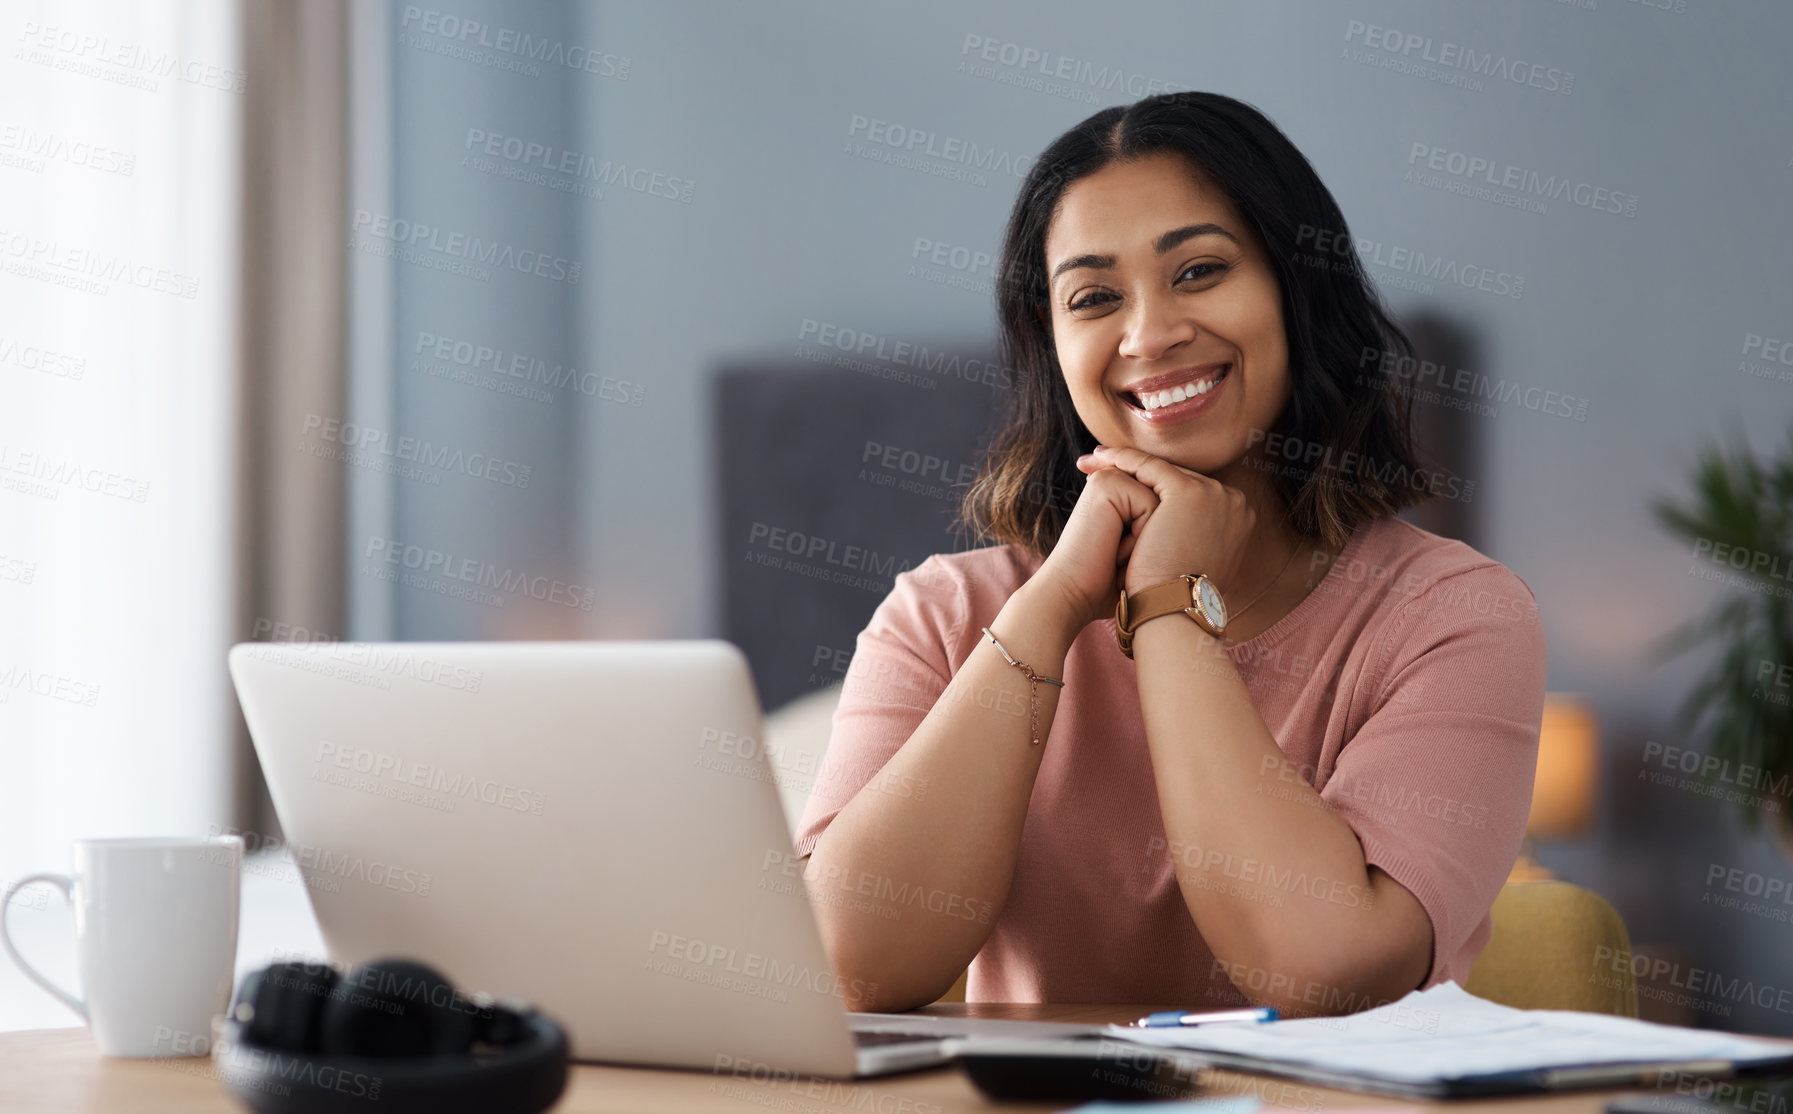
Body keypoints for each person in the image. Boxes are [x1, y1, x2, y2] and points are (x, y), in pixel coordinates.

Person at [792, 91, 1546, 1016]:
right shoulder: (944, 613)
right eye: (1094, 297)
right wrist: (1052, 602)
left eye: (1198, 271)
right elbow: (847, 967)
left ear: (1296, 288)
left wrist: (1168, 608)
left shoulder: (1455, 615)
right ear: (1053, 341)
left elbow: (1322, 972)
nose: (1148, 336)